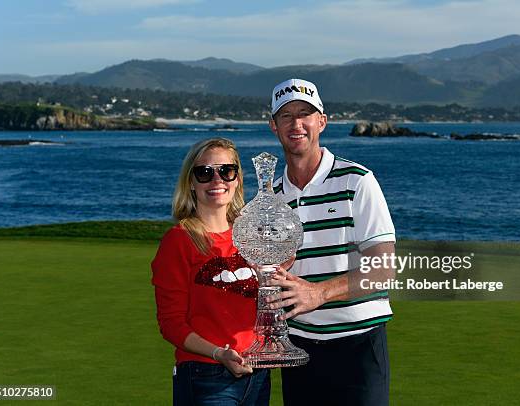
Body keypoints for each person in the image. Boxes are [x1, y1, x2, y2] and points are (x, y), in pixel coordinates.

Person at [266, 79, 396, 406]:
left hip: (358, 346)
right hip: (299, 350)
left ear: (321, 121)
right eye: (286, 115)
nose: (296, 124)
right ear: (273, 126)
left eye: (305, 114)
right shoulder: (271, 199)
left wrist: (318, 292)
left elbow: (384, 269)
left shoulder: (357, 181)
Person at [151, 137, 270, 406]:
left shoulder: (251, 236)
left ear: (237, 179)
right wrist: (218, 354)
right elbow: (171, 323)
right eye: (205, 173)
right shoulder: (179, 241)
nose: (217, 180)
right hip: (206, 374)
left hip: (258, 372)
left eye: (226, 171)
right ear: (191, 183)